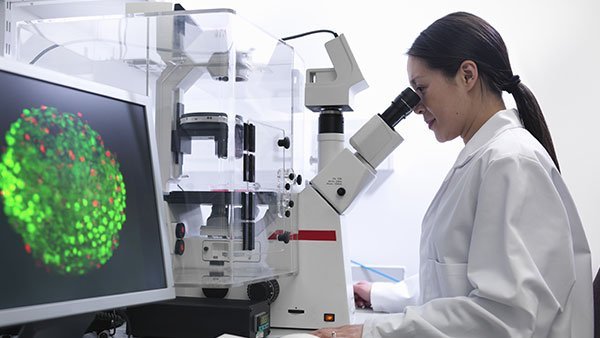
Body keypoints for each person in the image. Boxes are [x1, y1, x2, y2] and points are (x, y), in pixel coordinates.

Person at [312, 11, 593, 338]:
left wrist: (370, 333)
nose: (416, 107)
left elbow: (504, 317)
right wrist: (380, 295)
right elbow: (456, 278)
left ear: (467, 75)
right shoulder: (486, 157)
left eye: (421, 88)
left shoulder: (510, 162)